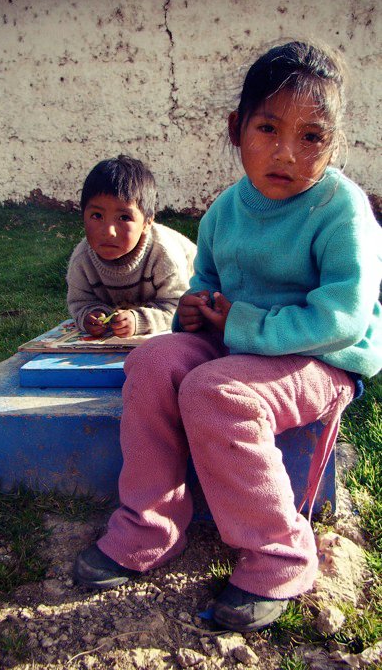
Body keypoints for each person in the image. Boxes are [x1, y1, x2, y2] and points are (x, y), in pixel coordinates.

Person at [73, 41, 382, 631]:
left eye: (311, 137)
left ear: (334, 144)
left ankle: (280, 554)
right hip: (237, 345)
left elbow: (342, 317)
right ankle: (150, 525)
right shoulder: (223, 212)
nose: (286, 152)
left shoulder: (341, 210)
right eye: (268, 128)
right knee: (153, 361)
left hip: (321, 358)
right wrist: (192, 312)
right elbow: (206, 285)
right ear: (236, 128)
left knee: (214, 391)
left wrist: (240, 324)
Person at [66, 155, 196, 338]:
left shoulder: (164, 255)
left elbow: (179, 307)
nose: (109, 231)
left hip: (201, 291)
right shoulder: (82, 260)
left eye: (124, 218)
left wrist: (139, 320)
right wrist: (90, 315)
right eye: (97, 216)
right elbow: (80, 302)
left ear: (147, 223)